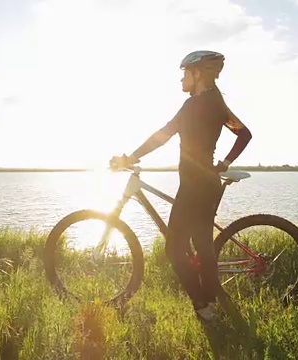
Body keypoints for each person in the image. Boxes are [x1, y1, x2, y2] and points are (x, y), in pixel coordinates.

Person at [110, 50, 252, 321]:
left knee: (175, 249)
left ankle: (203, 306)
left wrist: (129, 158)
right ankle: (209, 302)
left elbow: (163, 136)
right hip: (202, 182)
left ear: (198, 74)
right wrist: (223, 163)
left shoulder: (202, 104)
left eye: (185, 73)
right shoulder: (207, 103)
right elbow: (243, 134)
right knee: (200, 245)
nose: (181, 79)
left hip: (196, 185)